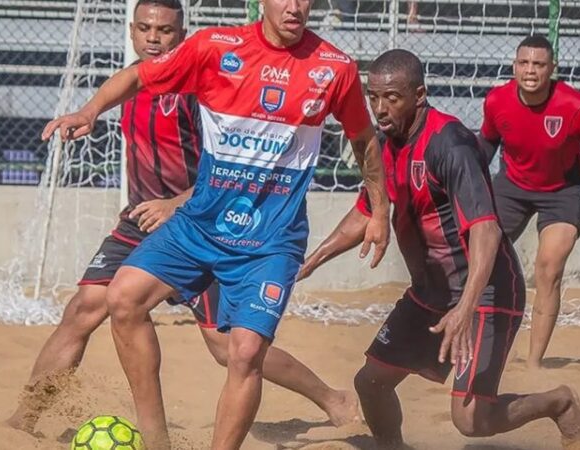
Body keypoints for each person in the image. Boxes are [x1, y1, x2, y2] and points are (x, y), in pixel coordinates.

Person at [41, 0, 391, 447]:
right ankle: (156, 441)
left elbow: (363, 139)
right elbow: (136, 76)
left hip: (269, 240)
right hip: (199, 226)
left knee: (242, 353)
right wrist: (89, 112)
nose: (296, 6)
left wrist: (380, 210)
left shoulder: (333, 67)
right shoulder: (214, 48)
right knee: (122, 298)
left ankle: (320, 404)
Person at [300, 48, 580, 449]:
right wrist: (309, 263)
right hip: (430, 294)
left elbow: (487, 232)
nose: (380, 109)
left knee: (472, 420)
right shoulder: (385, 146)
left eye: (392, 97)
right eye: (373, 97)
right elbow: (366, 212)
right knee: (370, 383)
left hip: (487, 292)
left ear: (419, 95)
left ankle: (559, 404)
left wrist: (466, 308)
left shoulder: (450, 142)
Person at [478, 35, 580, 369]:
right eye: (524, 63)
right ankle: (481, 344)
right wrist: (467, 189)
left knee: (548, 269)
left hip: (562, 192)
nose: (531, 70)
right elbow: (487, 145)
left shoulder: (576, 106)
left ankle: (534, 364)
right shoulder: (496, 101)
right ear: (514, 67)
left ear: (552, 68)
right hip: (511, 186)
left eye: (539, 64)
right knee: (479, 255)